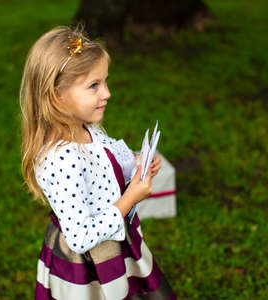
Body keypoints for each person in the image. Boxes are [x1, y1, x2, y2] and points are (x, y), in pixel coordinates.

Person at [19, 25, 177, 300]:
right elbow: (80, 237)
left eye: (105, 82)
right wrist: (130, 198)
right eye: (94, 85)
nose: (107, 93)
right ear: (57, 95)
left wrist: (137, 167)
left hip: (114, 245)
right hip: (88, 267)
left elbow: (103, 170)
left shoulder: (86, 129)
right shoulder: (62, 159)